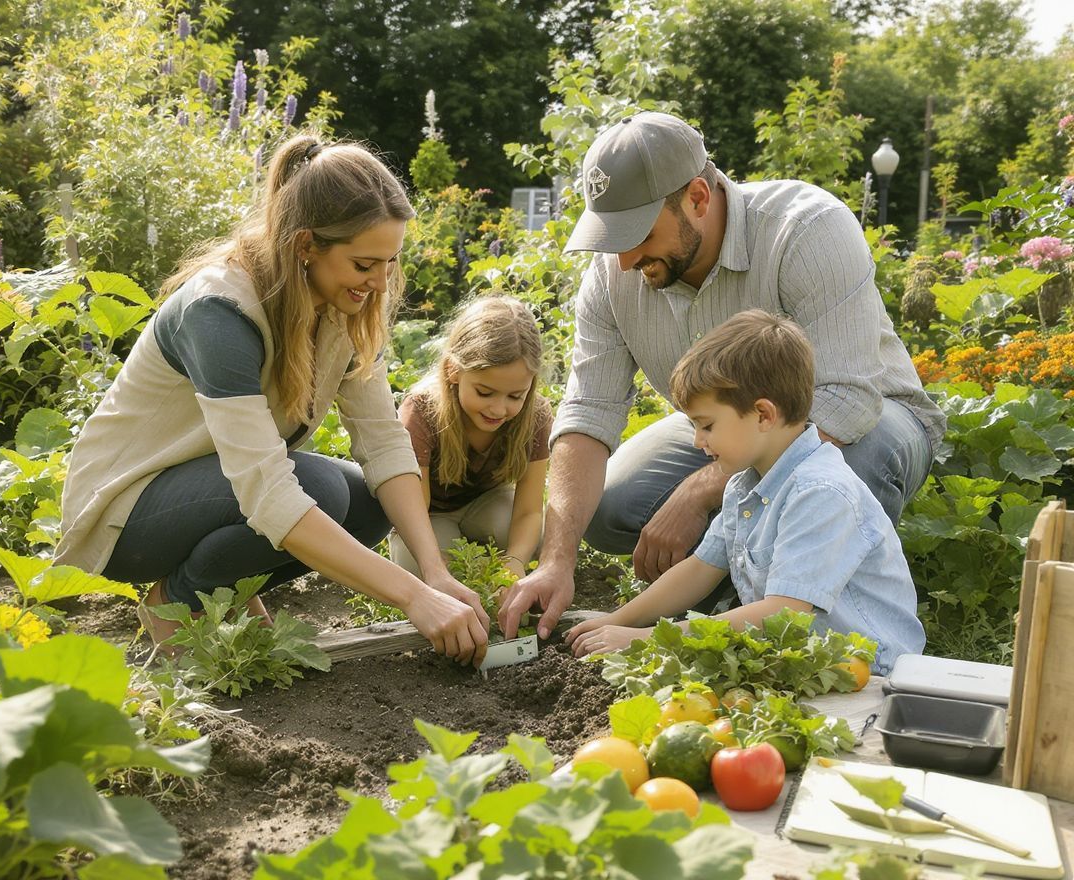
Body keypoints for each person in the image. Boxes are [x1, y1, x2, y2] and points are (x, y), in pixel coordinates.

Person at [498, 111, 944, 641]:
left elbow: (847, 399)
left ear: (698, 198)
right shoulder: (614, 273)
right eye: (612, 236)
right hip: (734, 425)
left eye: (637, 233)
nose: (623, 260)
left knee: (841, 468)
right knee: (611, 505)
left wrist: (700, 491)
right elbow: (587, 415)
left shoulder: (806, 228)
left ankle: (807, 610)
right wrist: (556, 560)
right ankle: (733, 600)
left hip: (869, 414)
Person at [54, 134, 489, 666]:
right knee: (322, 488)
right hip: (128, 510)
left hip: (215, 486)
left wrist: (433, 571)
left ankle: (223, 593)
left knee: (367, 503)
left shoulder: (340, 306)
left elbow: (383, 443)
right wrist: (412, 597)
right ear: (306, 245)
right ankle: (177, 603)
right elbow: (265, 486)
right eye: (364, 264)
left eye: (389, 263)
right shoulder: (220, 311)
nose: (379, 282)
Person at [565, 310, 925, 675]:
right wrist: (620, 621)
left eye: (706, 425)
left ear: (763, 415)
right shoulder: (744, 483)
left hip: (869, 673)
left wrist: (648, 639)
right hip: (801, 662)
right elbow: (701, 568)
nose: (697, 440)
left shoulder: (821, 492)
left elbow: (782, 614)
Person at [390, 296, 552, 579]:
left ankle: (489, 567)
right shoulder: (421, 413)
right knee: (417, 564)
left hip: (488, 503)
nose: (499, 409)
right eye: (485, 392)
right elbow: (416, 511)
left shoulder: (534, 416)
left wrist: (513, 563)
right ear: (454, 371)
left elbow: (528, 511)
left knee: (534, 535)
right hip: (429, 516)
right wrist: (439, 567)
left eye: (515, 396)